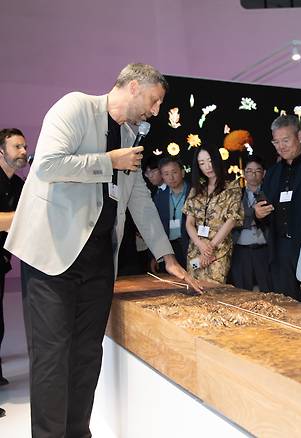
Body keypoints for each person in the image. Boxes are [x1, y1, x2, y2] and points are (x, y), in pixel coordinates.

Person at [4, 63, 201, 437]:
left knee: (86, 356)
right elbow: (46, 165)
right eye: (154, 101)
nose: (156, 111)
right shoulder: (75, 107)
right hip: (54, 258)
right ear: (132, 86)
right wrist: (107, 161)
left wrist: (167, 256)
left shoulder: (129, 134)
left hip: (98, 261)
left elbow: (139, 196)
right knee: (51, 357)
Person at [255, 115, 301, 301]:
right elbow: (263, 207)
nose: (281, 146)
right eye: (276, 142)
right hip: (280, 248)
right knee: (285, 302)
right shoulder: (272, 173)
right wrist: (258, 213)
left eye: (286, 140)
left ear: (300, 136)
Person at [183, 146, 243, 284]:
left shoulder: (232, 188)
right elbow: (189, 223)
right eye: (202, 163)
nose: (207, 167)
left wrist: (210, 247)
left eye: (209, 161)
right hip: (196, 250)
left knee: (214, 289)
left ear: (216, 160)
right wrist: (200, 245)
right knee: (193, 286)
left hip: (219, 251)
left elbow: (231, 220)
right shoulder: (195, 190)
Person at [0, 128, 28, 396]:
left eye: (24, 146)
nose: (23, 151)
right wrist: (18, 217)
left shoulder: (20, 185)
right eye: (17, 147)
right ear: (1, 151)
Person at [229, 155, 272, 291]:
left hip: (263, 249)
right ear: (243, 173)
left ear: (264, 173)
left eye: (257, 171)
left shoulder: (270, 193)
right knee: (242, 289)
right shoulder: (236, 195)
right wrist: (253, 216)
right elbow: (232, 219)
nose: (253, 175)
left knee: (266, 289)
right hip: (241, 250)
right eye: (249, 171)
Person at [153, 157, 190, 269]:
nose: (171, 177)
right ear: (162, 177)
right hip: (169, 249)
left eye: (174, 172)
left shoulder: (194, 192)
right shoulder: (159, 197)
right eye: (166, 174)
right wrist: (154, 255)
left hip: (190, 246)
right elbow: (155, 227)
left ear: (182, 172)